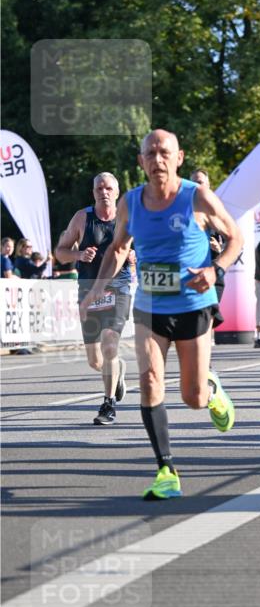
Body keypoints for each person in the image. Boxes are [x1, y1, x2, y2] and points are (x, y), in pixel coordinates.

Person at [80, 130, 243, 499]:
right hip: (150, 308)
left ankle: (212, 389)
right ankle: (166, 470)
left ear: (179, 157)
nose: (157, 159)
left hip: (193, 306)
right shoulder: (130, 203)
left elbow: (236, 238)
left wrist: (216, 269)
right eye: (150, 153)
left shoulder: (196, 196)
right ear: (141, 161)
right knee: (151, 379)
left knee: (193, 397)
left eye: (164, 152)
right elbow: (119, 249)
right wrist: (95, 289)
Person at [56, 173, 133, 425]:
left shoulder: (127, 217)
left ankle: (108, 404)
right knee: (95, 360)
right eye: (99, 188)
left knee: (110, 343)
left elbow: (143, 248)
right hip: (88, 291)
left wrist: (134, 257)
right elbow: (60, 252)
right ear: (93, 192)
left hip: (117, 288)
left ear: (117, 191)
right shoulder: (82, 217)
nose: (104, 192)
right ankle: (117, 371)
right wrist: (78, 254)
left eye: (109, 187)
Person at [190, 168, 226, 338]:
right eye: (193, 182)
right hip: (190, 274)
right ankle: (202, 360)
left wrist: (219, 251)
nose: (196, 186)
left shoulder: (216, 210)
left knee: (206, 318)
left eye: (200, 182)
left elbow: (234, 242)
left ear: (209, 185)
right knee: (195, 321)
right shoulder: (183, 210)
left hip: (213, 273)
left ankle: (204, 361)